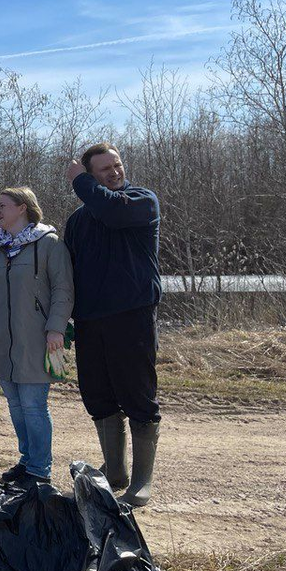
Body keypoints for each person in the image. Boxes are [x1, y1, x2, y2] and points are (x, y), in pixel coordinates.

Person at [65, 142, 162, 506]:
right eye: (104, 169)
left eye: (116, 165)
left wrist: (80, 182)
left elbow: (112, 212)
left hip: (132, 315)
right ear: (93, 175)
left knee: (137, 394)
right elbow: (68, 271)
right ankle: (116, 471)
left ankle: (141, 480)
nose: (114, 172)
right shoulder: (78, 221)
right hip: (90, 319)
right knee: (98, 395)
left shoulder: (140, 201)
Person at [0, 187, 74, 484]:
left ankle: (40, 470)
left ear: (23, 208)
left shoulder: (49, 243)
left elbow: (63, 289)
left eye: (3, 205)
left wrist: (56, 327)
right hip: (0, 340)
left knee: (33, 406)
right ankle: (27, 460)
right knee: (16, 406)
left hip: (37, 339)